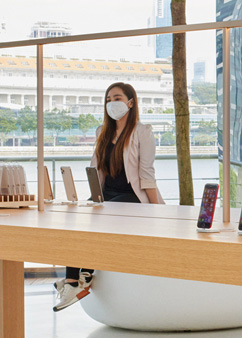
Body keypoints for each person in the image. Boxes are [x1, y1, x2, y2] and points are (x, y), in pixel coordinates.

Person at [54, 82, 164, 312]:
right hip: (106, 198)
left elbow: (146, 175)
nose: (112, 103)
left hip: (132, 197)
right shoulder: (101, 132)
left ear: (131, 102)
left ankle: (75, 281)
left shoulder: (143, 132)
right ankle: (79, 278)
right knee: (76, 220)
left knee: (96, 221)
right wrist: (93, 198)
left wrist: (159, 209)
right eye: (108, 99)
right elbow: (96, 170)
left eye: (117, 98)